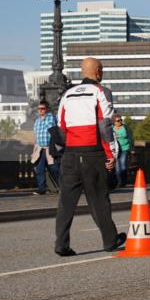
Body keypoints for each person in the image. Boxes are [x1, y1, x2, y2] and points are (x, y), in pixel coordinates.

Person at [53, 57, 126, 257]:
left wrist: (64, 153)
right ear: (99, 72)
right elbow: (105, 126)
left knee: (66, 202)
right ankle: (110, 240)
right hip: (92, 153)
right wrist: (112, 154)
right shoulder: (101, 92)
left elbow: (60, 128)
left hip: (70, 154)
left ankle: (61, 244)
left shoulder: (67, 94)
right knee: (98, 199)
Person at [31, 100, 60, 196]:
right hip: (39, 148)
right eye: (38, 109)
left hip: (49, 148)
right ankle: (41, 188)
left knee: (54, 168)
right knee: (39, 169)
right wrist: (34, 148)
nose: (40, 111)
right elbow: (35, 135)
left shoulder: (52, 117)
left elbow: (54, 128)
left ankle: (62, 187)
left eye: (42, 109)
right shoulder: (37, 120)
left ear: (47, 109)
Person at [112, 116, 134, 187]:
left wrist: (132, 148)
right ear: (114, 122)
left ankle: (123, 182)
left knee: (123, 165)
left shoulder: (125, 127)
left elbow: (131, 138)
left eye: (120, 120)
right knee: (118, 167)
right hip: (116, 150)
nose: (119, 122)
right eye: (117, 121)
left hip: (125, 148)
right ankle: (120, 182)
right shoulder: (112, 128)